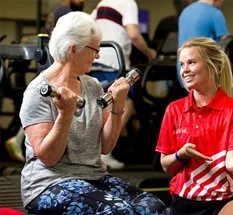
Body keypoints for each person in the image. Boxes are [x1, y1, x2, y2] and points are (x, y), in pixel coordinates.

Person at [19, 11, 167, 214]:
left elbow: (105, 146)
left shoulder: (93, 86)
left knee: (153, 207)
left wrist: (118, 105)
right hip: (48, 183)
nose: (98, 55)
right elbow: (49, 158)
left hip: (94, 177)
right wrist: (65, 114)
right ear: (73, 49)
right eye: (94, 49)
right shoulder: (37, 92)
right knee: (118, 212)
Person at [155, 37, 233, 215]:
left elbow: (232, 160)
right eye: (182, 64)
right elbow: (167, 167)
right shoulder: (174, 110)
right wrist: (181, 154)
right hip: (185, 201)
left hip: (224, 199)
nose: (184, 70)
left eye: (191, 62)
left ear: (214, 66)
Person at [4, 0, 86, 163]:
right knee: (52, 107)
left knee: (47, 109)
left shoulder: (57, 11)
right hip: (57, 64)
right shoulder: (66, 12)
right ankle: (21, 140)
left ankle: (18, 139)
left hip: (50, 63)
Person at [90, 0, 157, 170]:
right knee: (127, 102)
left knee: (103, 105)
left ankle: (96, 151)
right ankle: (104, 154)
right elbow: (134, 34)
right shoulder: (128, 2)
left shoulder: (101, 4)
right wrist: (150, 53)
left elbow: (90, 27)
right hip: (114, 60)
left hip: (96, 59)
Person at [177, 0, 229, 88]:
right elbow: (227, 44)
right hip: (202, 75)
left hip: (182, 74)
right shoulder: (215, 13)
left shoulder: (185, 12)